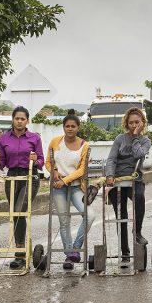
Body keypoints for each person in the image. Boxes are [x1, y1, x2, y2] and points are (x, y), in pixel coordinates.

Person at [46, 110, 96, 270]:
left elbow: (82, 169)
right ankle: (70, 254)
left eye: (73, 126)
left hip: (75, 186)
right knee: (64, 220)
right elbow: (48, 162)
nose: (69, 129)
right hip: (58, 186)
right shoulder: (55, 142)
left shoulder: (85, 145)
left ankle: (76, 247)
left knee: (90, 215)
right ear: (63, 127)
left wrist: (65, 180)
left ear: (78, 127)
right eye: (67, 126)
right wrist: (54, 172)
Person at [0, 106, 43, 269]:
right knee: (14, 213)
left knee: (19, 210)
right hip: (12, 176)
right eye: (17, 118)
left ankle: (20, 254)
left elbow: (41, 160)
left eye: (23, 119)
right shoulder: (3, 139)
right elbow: (1, 164)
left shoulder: (34, 138)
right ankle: (21, 248)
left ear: (27, 121)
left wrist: (35, 159)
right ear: (13, 120)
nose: (20, 121)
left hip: (30, 175)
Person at [105, 107, 152, 261]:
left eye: (137, 122)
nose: (133, 125)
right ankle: (124, 251)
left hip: (135, 179)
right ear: (126, 123)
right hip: (118, 180)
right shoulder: (119, 139)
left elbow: (139, 154)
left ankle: (137, 232)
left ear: (142, 123)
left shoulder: (145, 140)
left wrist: (135, 137)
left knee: (140, 198)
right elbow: (112, 159)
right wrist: (110, 175)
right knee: (122, 216)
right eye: (131, 123)